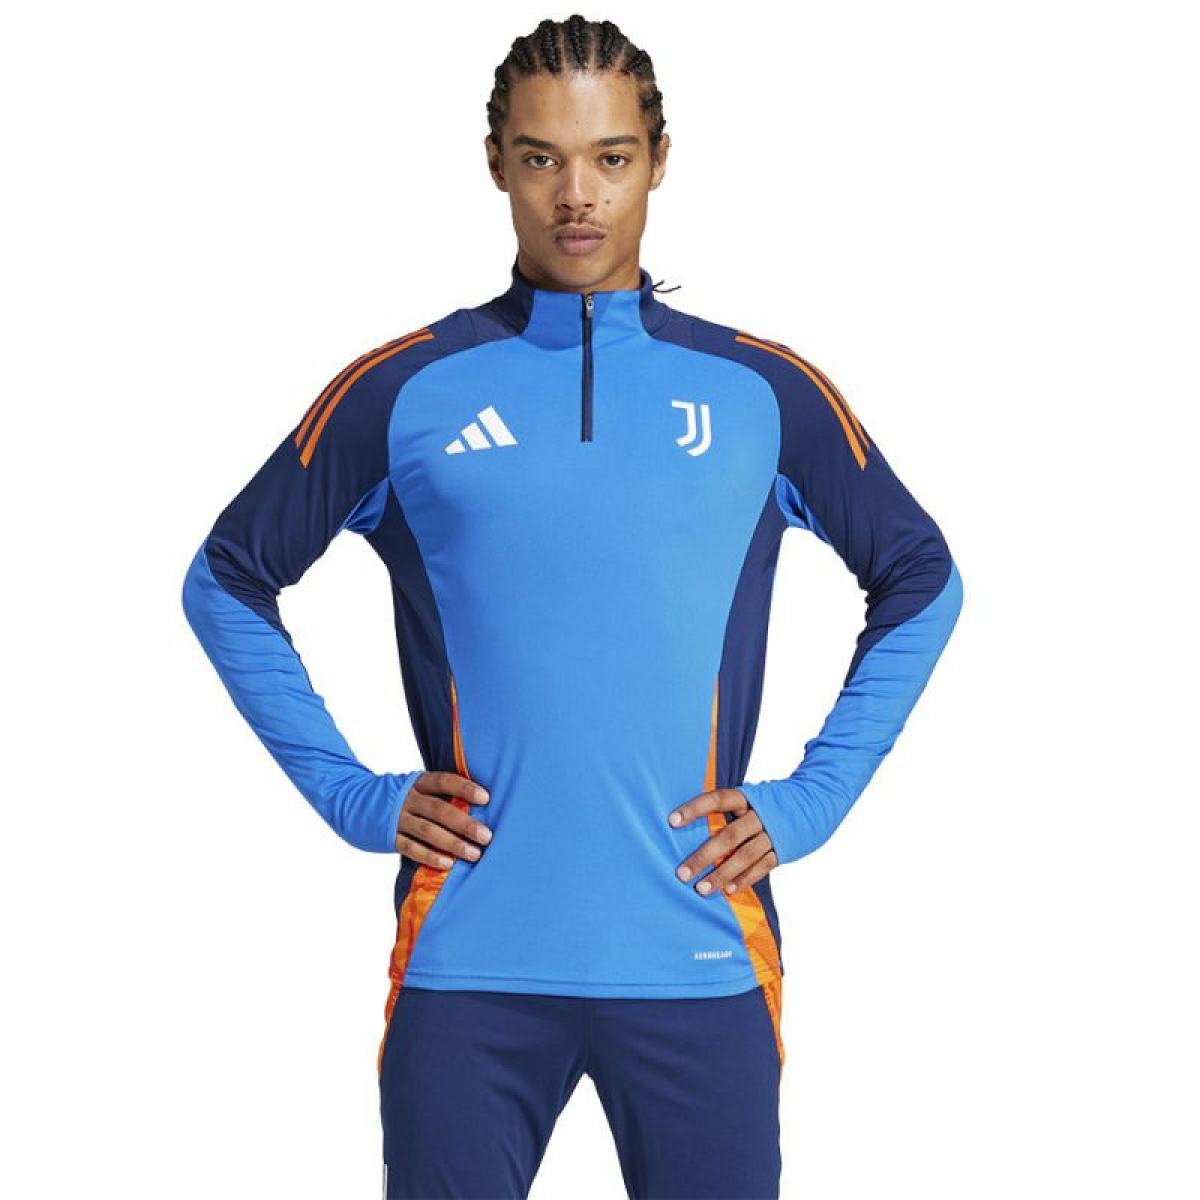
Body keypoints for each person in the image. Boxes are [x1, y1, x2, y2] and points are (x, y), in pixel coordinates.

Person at [181, 13, 964, 1199]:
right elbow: (227, 578)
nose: (576, 195)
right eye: (542, 157)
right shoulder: (406, 389)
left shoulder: (760, 391)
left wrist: (809, 803)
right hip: (468, 963)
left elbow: (922, 577)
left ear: (659, 160)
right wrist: (352, 796)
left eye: (610, 157)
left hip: (700, 951)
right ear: (496, 162)